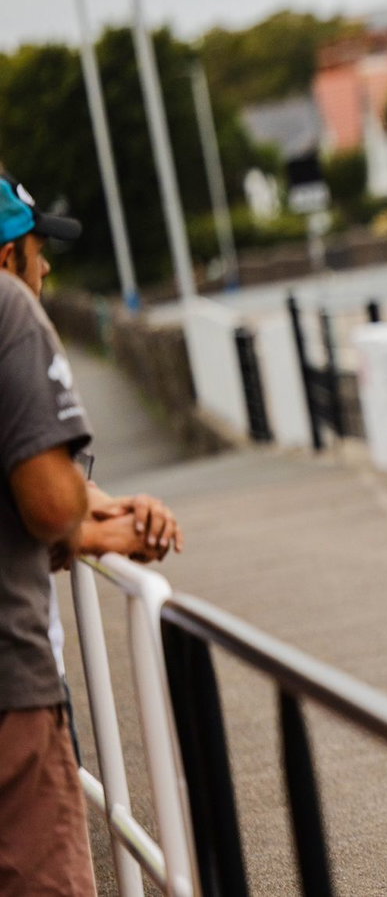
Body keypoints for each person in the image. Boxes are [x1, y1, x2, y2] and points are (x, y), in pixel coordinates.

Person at [0, 175, 181, 895]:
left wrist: (102, 517)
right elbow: (49, 502)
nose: (46, 267)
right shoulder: (9, 310)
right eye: (38, 249)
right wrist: (93, 519)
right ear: (8, 255)